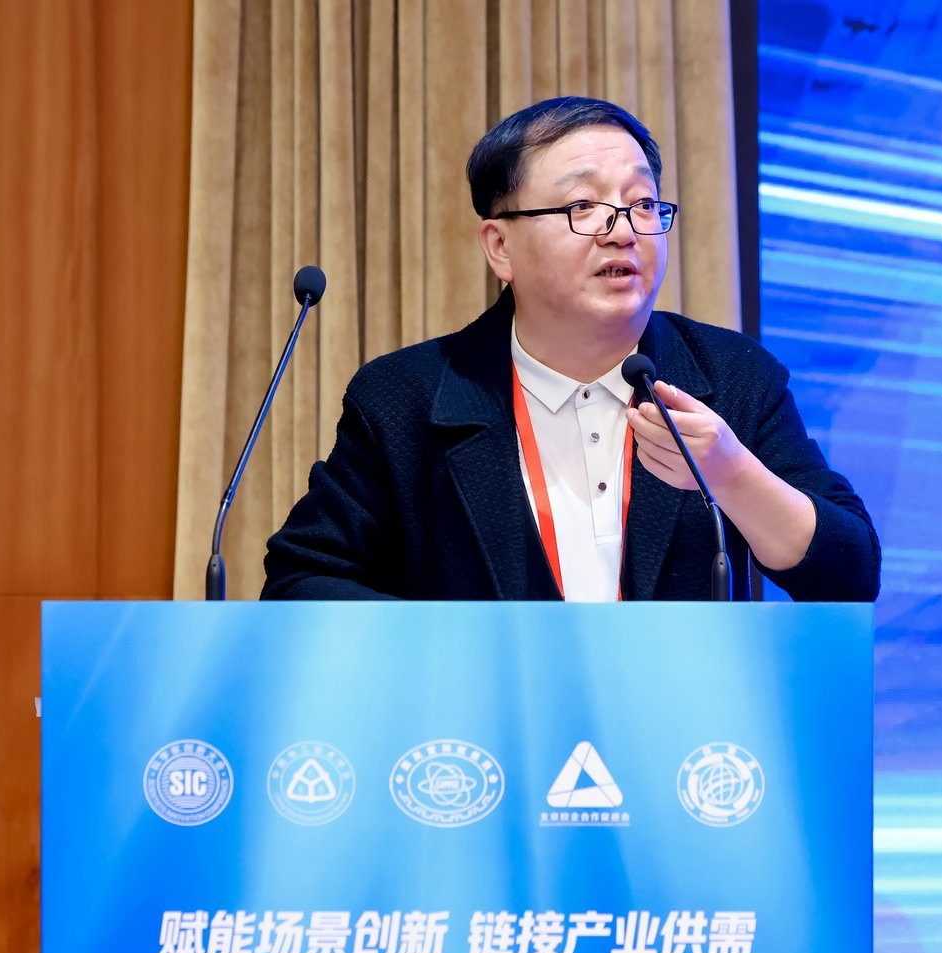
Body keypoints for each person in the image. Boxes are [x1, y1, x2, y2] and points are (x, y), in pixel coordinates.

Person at [262, 97, 879, 602]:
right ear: (500, 246)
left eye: (642, 204)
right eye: (583, 206)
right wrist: (456, 652)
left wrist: (733, 475)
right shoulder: (407, 398)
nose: (623, 230)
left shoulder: (732, 375)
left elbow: (850, 576)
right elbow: (302, 581)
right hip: (487, 715)